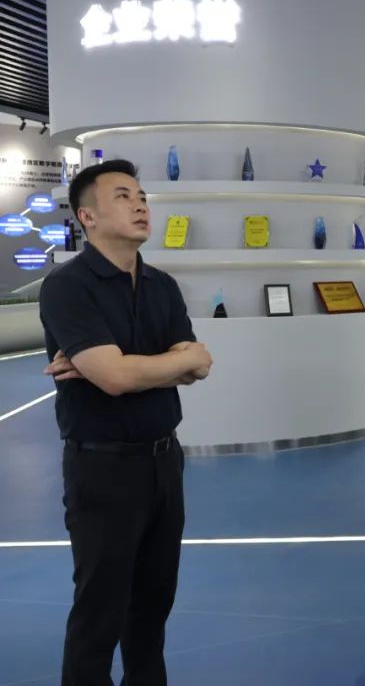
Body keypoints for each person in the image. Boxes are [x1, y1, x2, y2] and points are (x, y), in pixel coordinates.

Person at [38, 159, 213, 684]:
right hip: (102, 471)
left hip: (165, 463)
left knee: (153, 608)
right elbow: (117, 378)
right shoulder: (68, 286)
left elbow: (200, 364)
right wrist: (163, 363)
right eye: (122, 196)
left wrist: (121, 366)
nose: (140, 205)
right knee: (100, 613)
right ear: (87, 216)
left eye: (141, 196)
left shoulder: (162, 285)